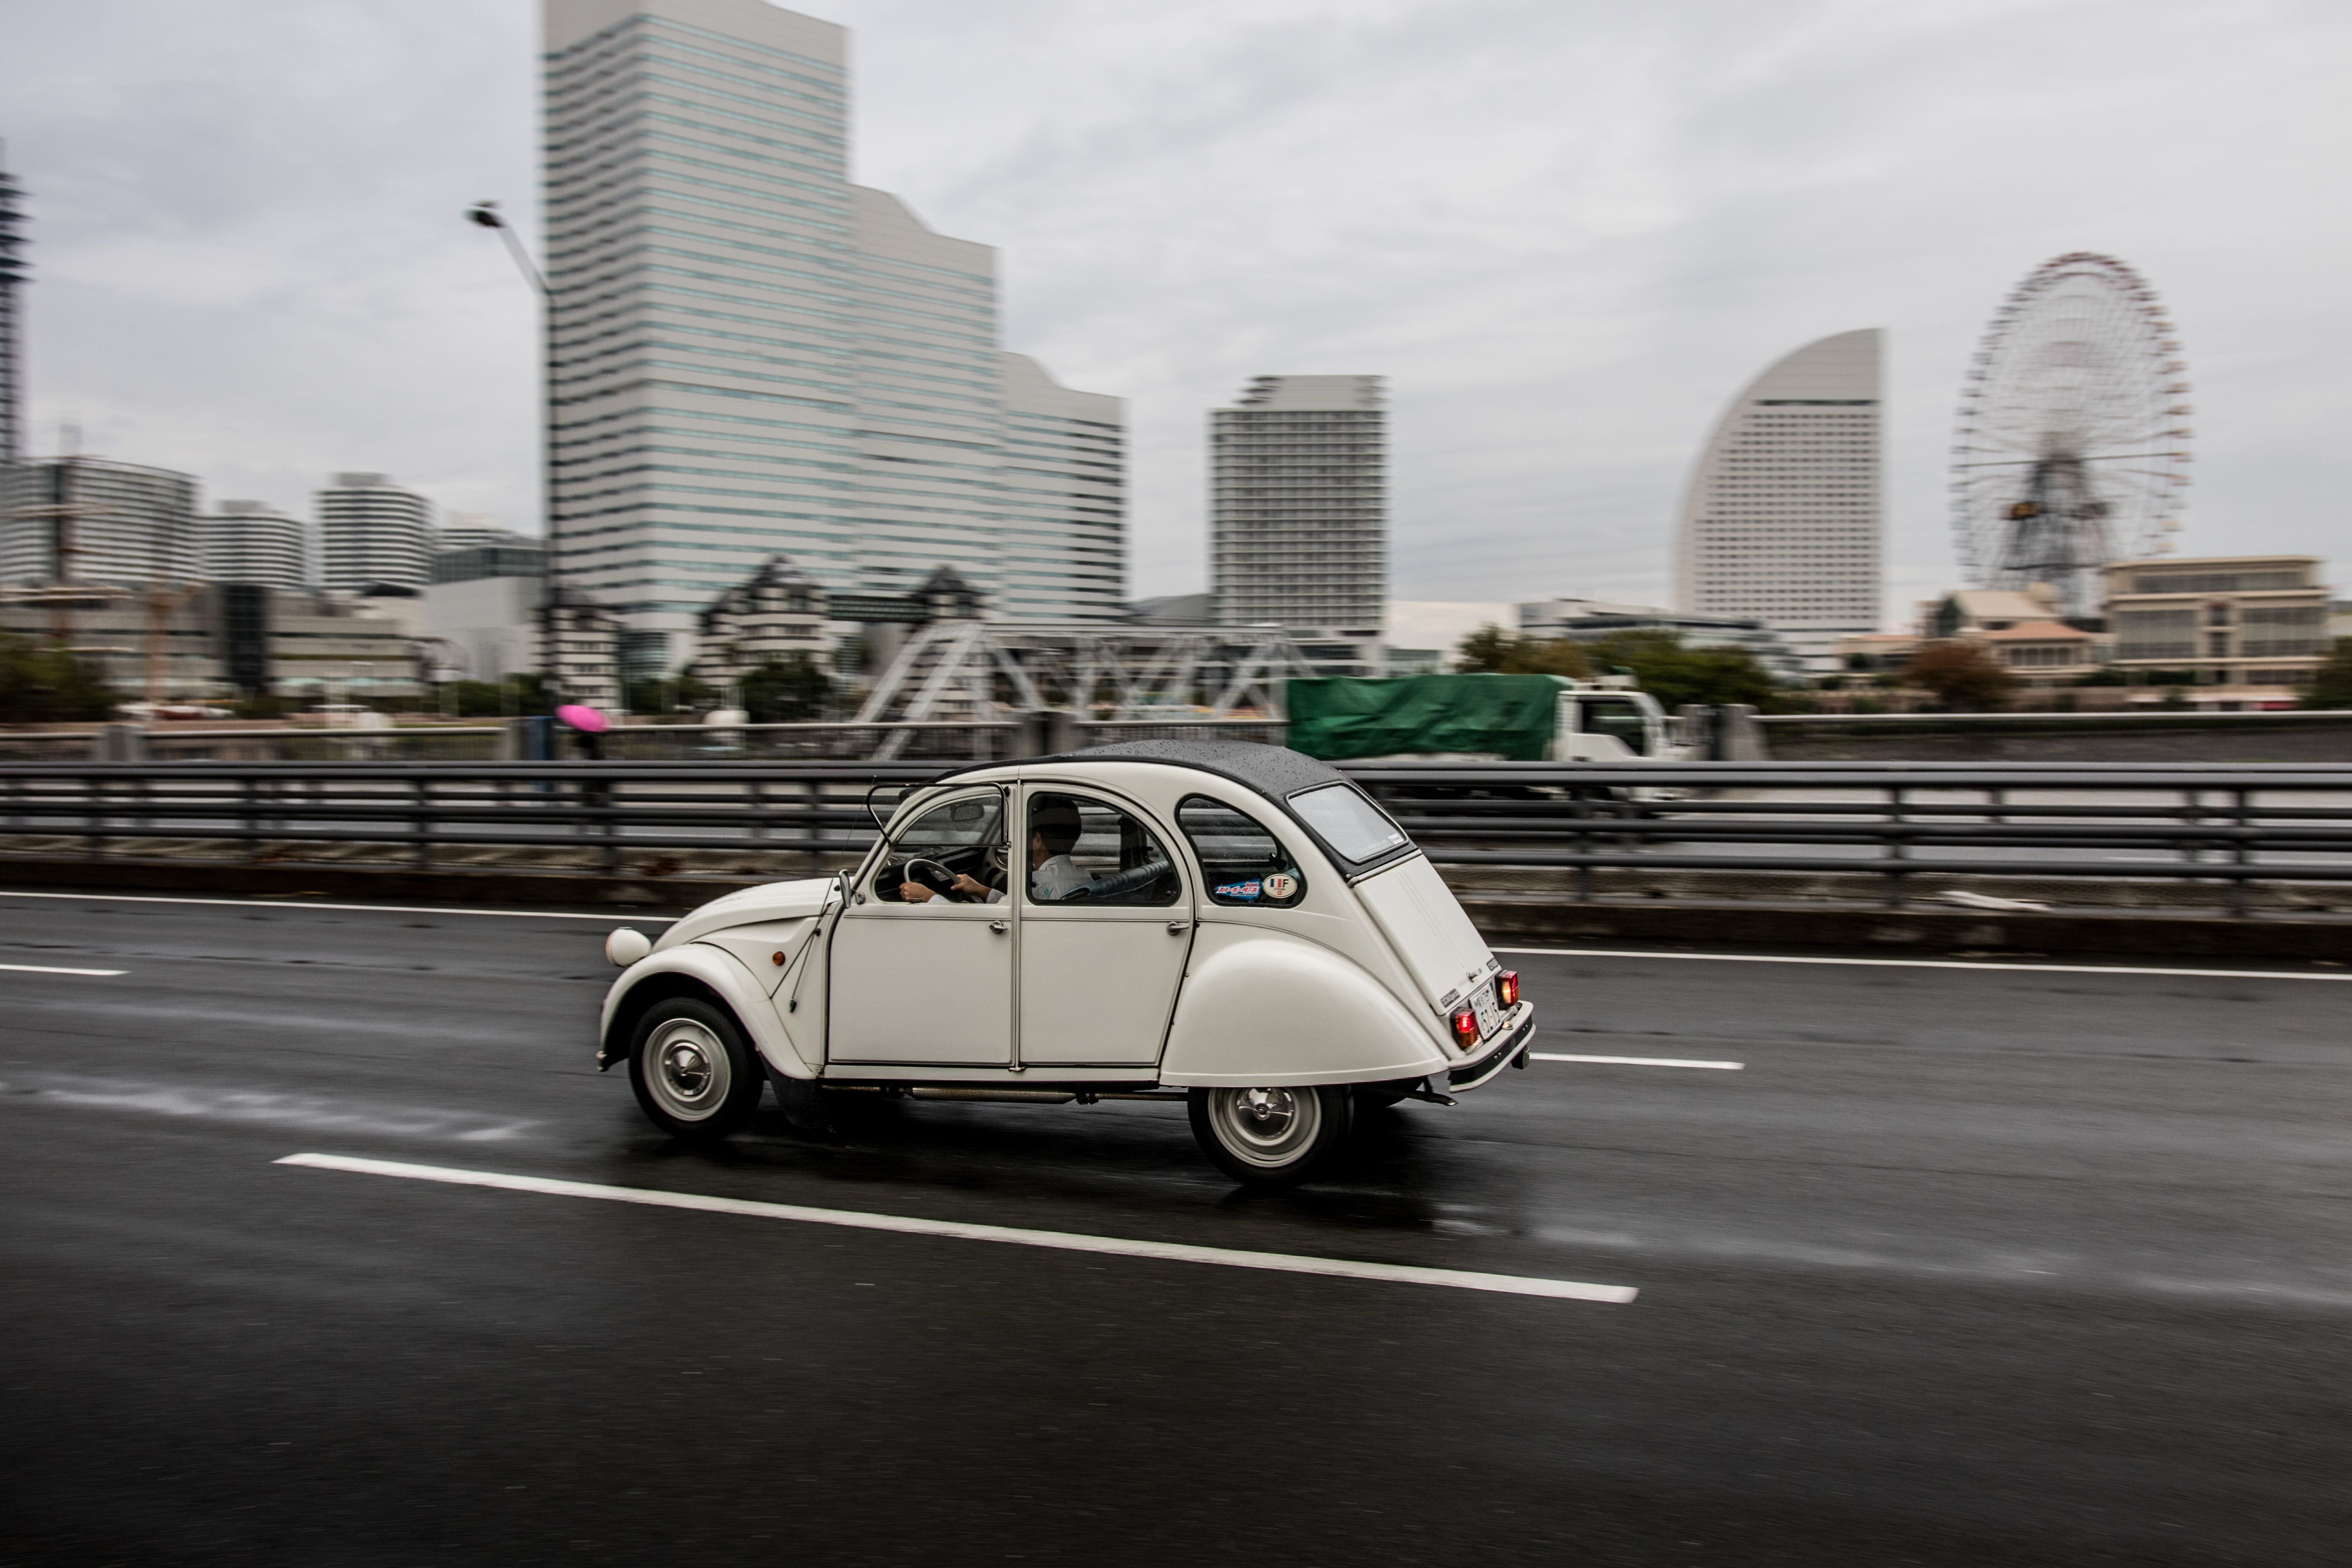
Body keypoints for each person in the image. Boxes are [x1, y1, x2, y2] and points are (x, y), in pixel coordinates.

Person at [901, 798, 1089, 905]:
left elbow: (971, 923)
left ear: (1038, 840)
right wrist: (980, 890)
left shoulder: (1037, 884)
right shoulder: (1084, 877)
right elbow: (1011, 905)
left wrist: (929, 897)